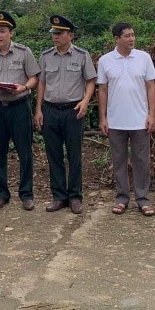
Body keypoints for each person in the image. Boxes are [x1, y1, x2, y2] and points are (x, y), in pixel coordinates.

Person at [0, 11, 41, 211]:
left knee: (24, 152)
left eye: (3, 31)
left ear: (11, 33)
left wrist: (24, 87)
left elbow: (34, 77)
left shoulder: (24, 52)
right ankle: (1, 194)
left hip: (19, 106)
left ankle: (26, 194)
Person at [35, 15, 96, 214]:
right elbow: (42, 83)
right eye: (54, 33)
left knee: (74, 155)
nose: (55, 36)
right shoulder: (46, 56)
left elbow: (90, 81)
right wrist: (38, 110)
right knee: (54, 155)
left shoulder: (81, 55)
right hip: (50, 110)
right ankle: (59, 197)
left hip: (73, 111)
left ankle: (75, 197)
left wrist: (85, 101)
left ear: (70, 35)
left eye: (60, 33)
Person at [96, 22, 155, 217]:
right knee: (119, 160)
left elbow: (151, 87)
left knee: (142, 160)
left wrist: (152, 115)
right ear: (117, 38)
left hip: (140, 120)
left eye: (133, 35)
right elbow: (102, 89)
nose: (132, 39)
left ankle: (143, 199)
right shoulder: (105, 60)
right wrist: (103, 117)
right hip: (116, 120)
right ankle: (122, 198)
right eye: (127, 36)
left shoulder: (143, 57)